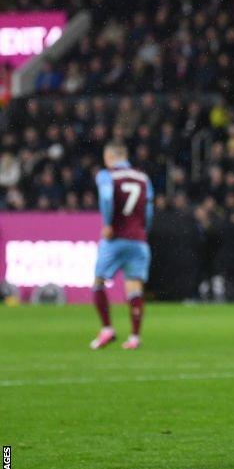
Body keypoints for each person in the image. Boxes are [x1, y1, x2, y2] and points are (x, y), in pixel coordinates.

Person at [90, 141, 153, 351]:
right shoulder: (143, 177)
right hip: (138, 240)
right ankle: (134, 337)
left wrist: (108, 224)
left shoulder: (106, 176)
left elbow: (107, 198)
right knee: (134, 287)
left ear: (109, 157)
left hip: (116, 238)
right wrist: (144, 230)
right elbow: (149, 209)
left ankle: (107, 329)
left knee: (98, 282)